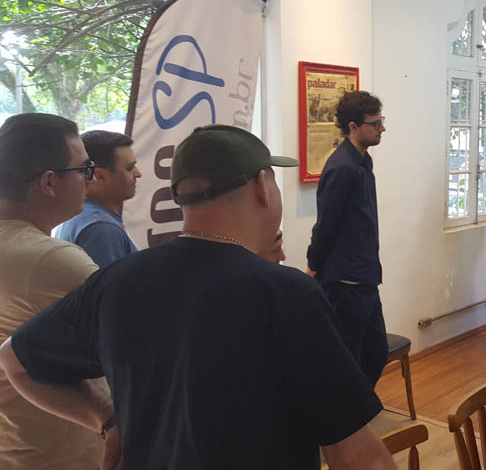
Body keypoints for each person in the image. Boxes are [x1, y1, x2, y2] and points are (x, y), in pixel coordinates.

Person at [0, 124, 395, 469]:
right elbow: (355, 455)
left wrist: (108, 420)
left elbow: (15, 360)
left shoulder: (117, 281)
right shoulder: (286, 293)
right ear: (262, 186)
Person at [0, 113, 104, 469]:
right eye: (85, 169)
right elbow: (138, 337)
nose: (92, 179)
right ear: (49, 181)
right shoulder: (48, 259)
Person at [307, 90, 388, 387]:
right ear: (353, 127)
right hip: (345, 282)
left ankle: (358, 409)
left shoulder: (363, 162)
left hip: (365, 276)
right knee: (347, 360)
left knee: (376, 352)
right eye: (375, 123)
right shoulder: (342, 168)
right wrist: (313, 266)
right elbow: (326, 224)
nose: (382, 128)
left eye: (381, 121)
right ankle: (345, 413)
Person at [54, 130, 142, 268]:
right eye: (129, 168)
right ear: (98, 176)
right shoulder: (100, 228)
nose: (138, 174)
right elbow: (110, 282)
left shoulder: (82, 217)